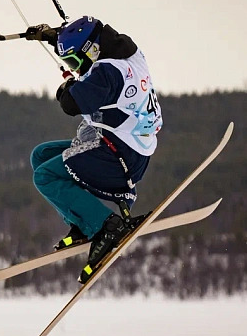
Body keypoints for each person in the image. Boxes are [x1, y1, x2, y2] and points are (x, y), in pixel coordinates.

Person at [25, 15, 163, 283]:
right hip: (126, 149)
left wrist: (66, 88)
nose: (74, 68)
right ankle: (82, 222)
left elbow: (70, 103)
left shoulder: (107, 73)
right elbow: (93, 33)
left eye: (74, 62)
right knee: (40, 156)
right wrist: (56, 36)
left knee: (45, 176)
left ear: (91, 50)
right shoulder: (126, 50)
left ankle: (106, 227)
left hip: (118, 158)